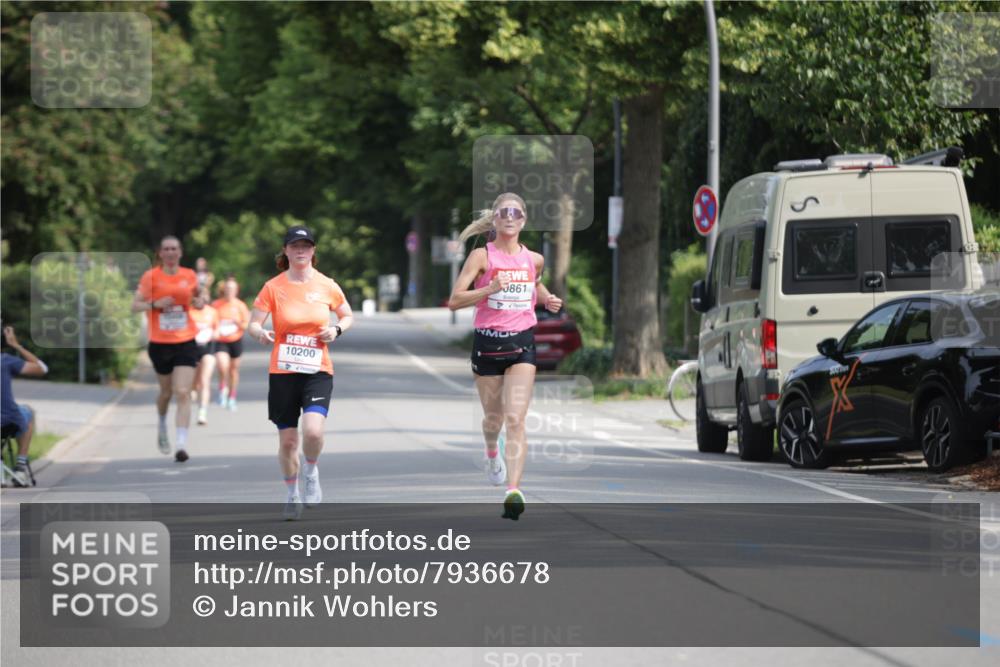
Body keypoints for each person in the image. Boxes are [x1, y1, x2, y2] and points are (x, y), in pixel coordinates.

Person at [448, 193, 563, 520]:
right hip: (487, 345)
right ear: (495, 220)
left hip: (522, 345)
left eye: (516, 213)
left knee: (515, 418)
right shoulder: (482, 258)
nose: (510, 217)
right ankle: (490, 451)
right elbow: (455, 300)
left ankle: (513, 490)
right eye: (503, 212)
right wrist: (489, 289)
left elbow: (534, 283)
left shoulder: (534, 259)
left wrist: (547, 298)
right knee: (493, 420)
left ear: (523, 220)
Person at [248, 225, 354, 520]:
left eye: (306, 246)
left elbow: (347, 315)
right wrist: (260, 333)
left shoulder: (327, 285)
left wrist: (336, 329)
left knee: (313, 430)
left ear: (313, 251)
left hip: (317, 369)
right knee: (288, 441)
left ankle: (310, 468)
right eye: (295, 245)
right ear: (285, 251)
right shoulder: (274, 287)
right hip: (282, 370)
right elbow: (254, 322)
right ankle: (292, 493)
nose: (300, 250)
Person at [131, 235, 204, 462]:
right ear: (161, 253)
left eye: (174, 248)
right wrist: (155, 304)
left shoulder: (189, 275)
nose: (171, 252)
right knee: (166, 393)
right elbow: (134, 305)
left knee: (183, 392)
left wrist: (201, 301)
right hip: (160, 343)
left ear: (180, 252)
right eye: (166, 249)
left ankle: (181, 445)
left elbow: (199, 298)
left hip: (186, 340)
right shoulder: (150, 277)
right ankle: (162, 422)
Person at [1, 326, 48, 486]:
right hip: (8, 421)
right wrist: (16, 345)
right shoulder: (6, 361)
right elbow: (42, 368)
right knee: (28, 412)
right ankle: (20, 469)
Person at [212, 276, 250, 411]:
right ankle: (223, 389)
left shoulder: (240, 306)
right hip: (221, 340)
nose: (230, 291)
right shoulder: (216, 305)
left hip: (236, 340)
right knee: (222, 366)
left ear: (236, 290)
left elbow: (247, 326)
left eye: (232, 289)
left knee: (233, 370)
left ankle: (232, 397)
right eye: (227, 289)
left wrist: (237, 322)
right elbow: (210, 322)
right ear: (224, 290)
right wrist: (214, 330)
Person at [190, 287, 219, 425]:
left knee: (204, 380)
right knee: (194, 381)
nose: (199, 300)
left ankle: (202, 412)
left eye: (202, 297)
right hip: (191, 348)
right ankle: (193, 389)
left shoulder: (212, 312)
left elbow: (217, 329)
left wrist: (214, 334)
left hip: (208, 347)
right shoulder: (188, 312)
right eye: (196, 297)